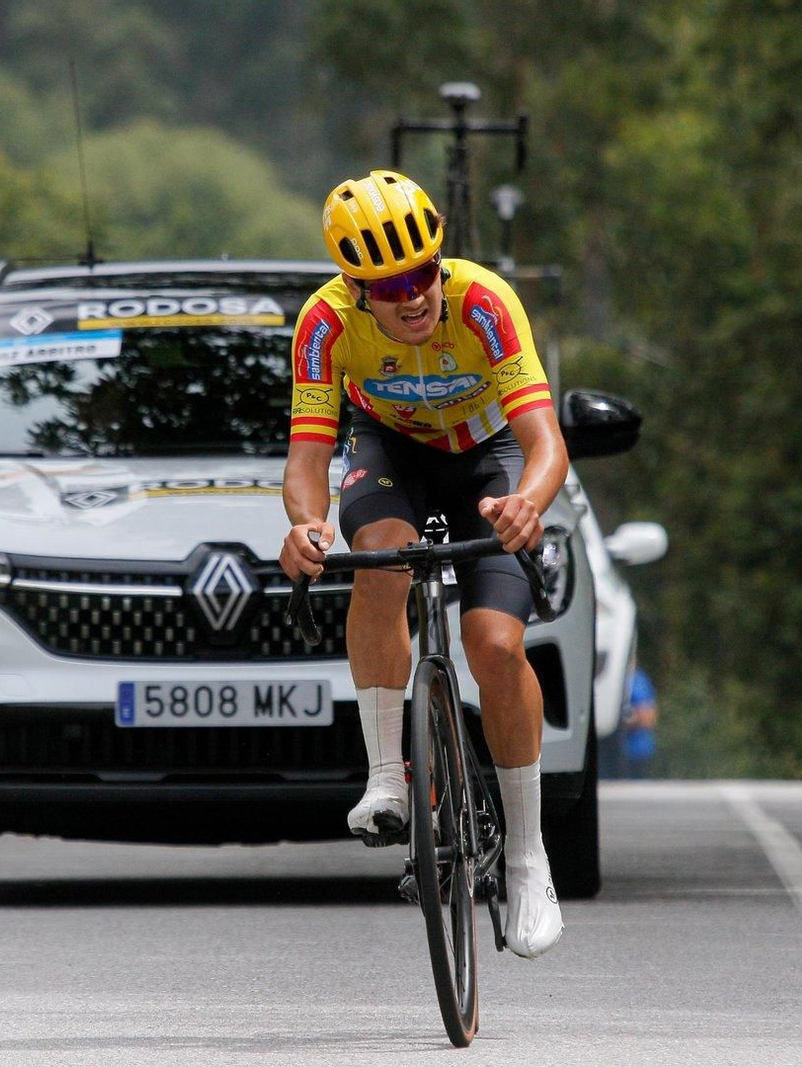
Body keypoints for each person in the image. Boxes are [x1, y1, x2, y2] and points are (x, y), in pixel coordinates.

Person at [279, 170, 570, 959]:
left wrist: (527, 504)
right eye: (388, 285)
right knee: (380, 561)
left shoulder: (482, 301)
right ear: (355, 289)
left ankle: (527, 859)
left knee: (496, 645)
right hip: (392, 452)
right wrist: (306, 523)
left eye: (422, 274)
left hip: (490, 455)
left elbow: (545, 443)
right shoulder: (324, 324)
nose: (412, 296)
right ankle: (387, 778)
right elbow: (308, 455)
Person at [623, 667, 659, 777]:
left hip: (636, 753)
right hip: (611, 754)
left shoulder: (637, 680)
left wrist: (627, 719)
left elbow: (648, 718)